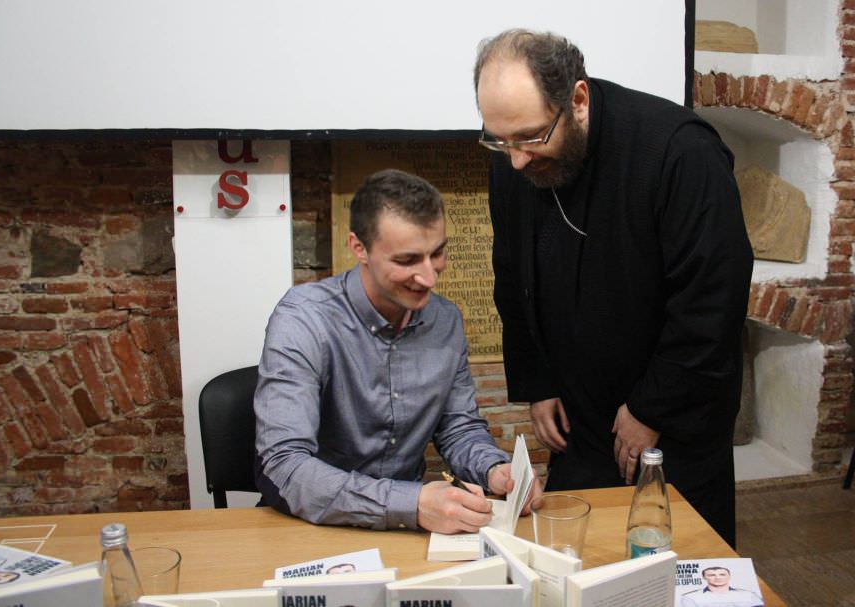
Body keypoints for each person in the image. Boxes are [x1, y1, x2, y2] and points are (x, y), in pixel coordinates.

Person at [473, 29, 753, 545]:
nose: (514, 160)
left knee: (675, 560)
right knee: (578, 556)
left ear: (577, 100)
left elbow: (712, 301)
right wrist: (538, 382)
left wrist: (650, 409)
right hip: (579, 420)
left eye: (531, 138)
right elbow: (511, 274)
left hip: (673, 420)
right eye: (499, 140)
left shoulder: (679, 152)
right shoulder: (515, 151)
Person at [254, 169, 540, 534]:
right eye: (407, 261)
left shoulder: (444, 319)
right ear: (359, 248)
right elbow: (285, 466)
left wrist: (495, 470)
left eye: (437, 253)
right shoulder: (304, 318)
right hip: (313, 525)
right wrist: (411, 504)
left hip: (407, 529)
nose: (429, 278)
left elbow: (457, 427)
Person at [681, 566, 764, 607]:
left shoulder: (749, 595)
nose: (717, 577)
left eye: (722, 574)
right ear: (704, 577)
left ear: (729, 576)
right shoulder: (690, 597)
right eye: (711, 575)